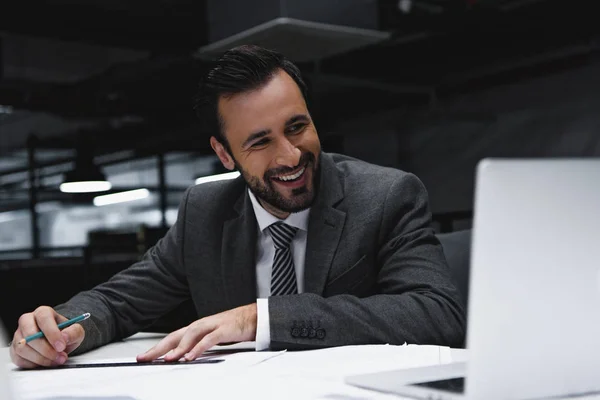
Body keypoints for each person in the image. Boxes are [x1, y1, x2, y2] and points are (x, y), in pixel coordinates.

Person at [10, 45, 465, 369]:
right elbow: (119, 302)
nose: (289, 155)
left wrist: (258, 318)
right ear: (225, 155)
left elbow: (438, 313)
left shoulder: (387, 195)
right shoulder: (204, 211)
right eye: (261, 141)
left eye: (297, 127)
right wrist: (63, 329)